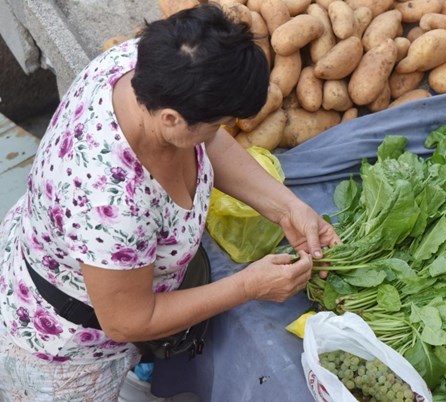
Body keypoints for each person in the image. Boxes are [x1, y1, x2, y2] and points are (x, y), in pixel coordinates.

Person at [0, 4, 339, 401]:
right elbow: (128, 320)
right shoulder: (112, 199)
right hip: (68, 350)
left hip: (84, 270)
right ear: (172, 120)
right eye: (217, 122)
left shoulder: (146, 66)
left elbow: (207, 142)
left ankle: (140, 370)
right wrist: (248, 285)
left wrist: (286, 207)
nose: (221, 130)